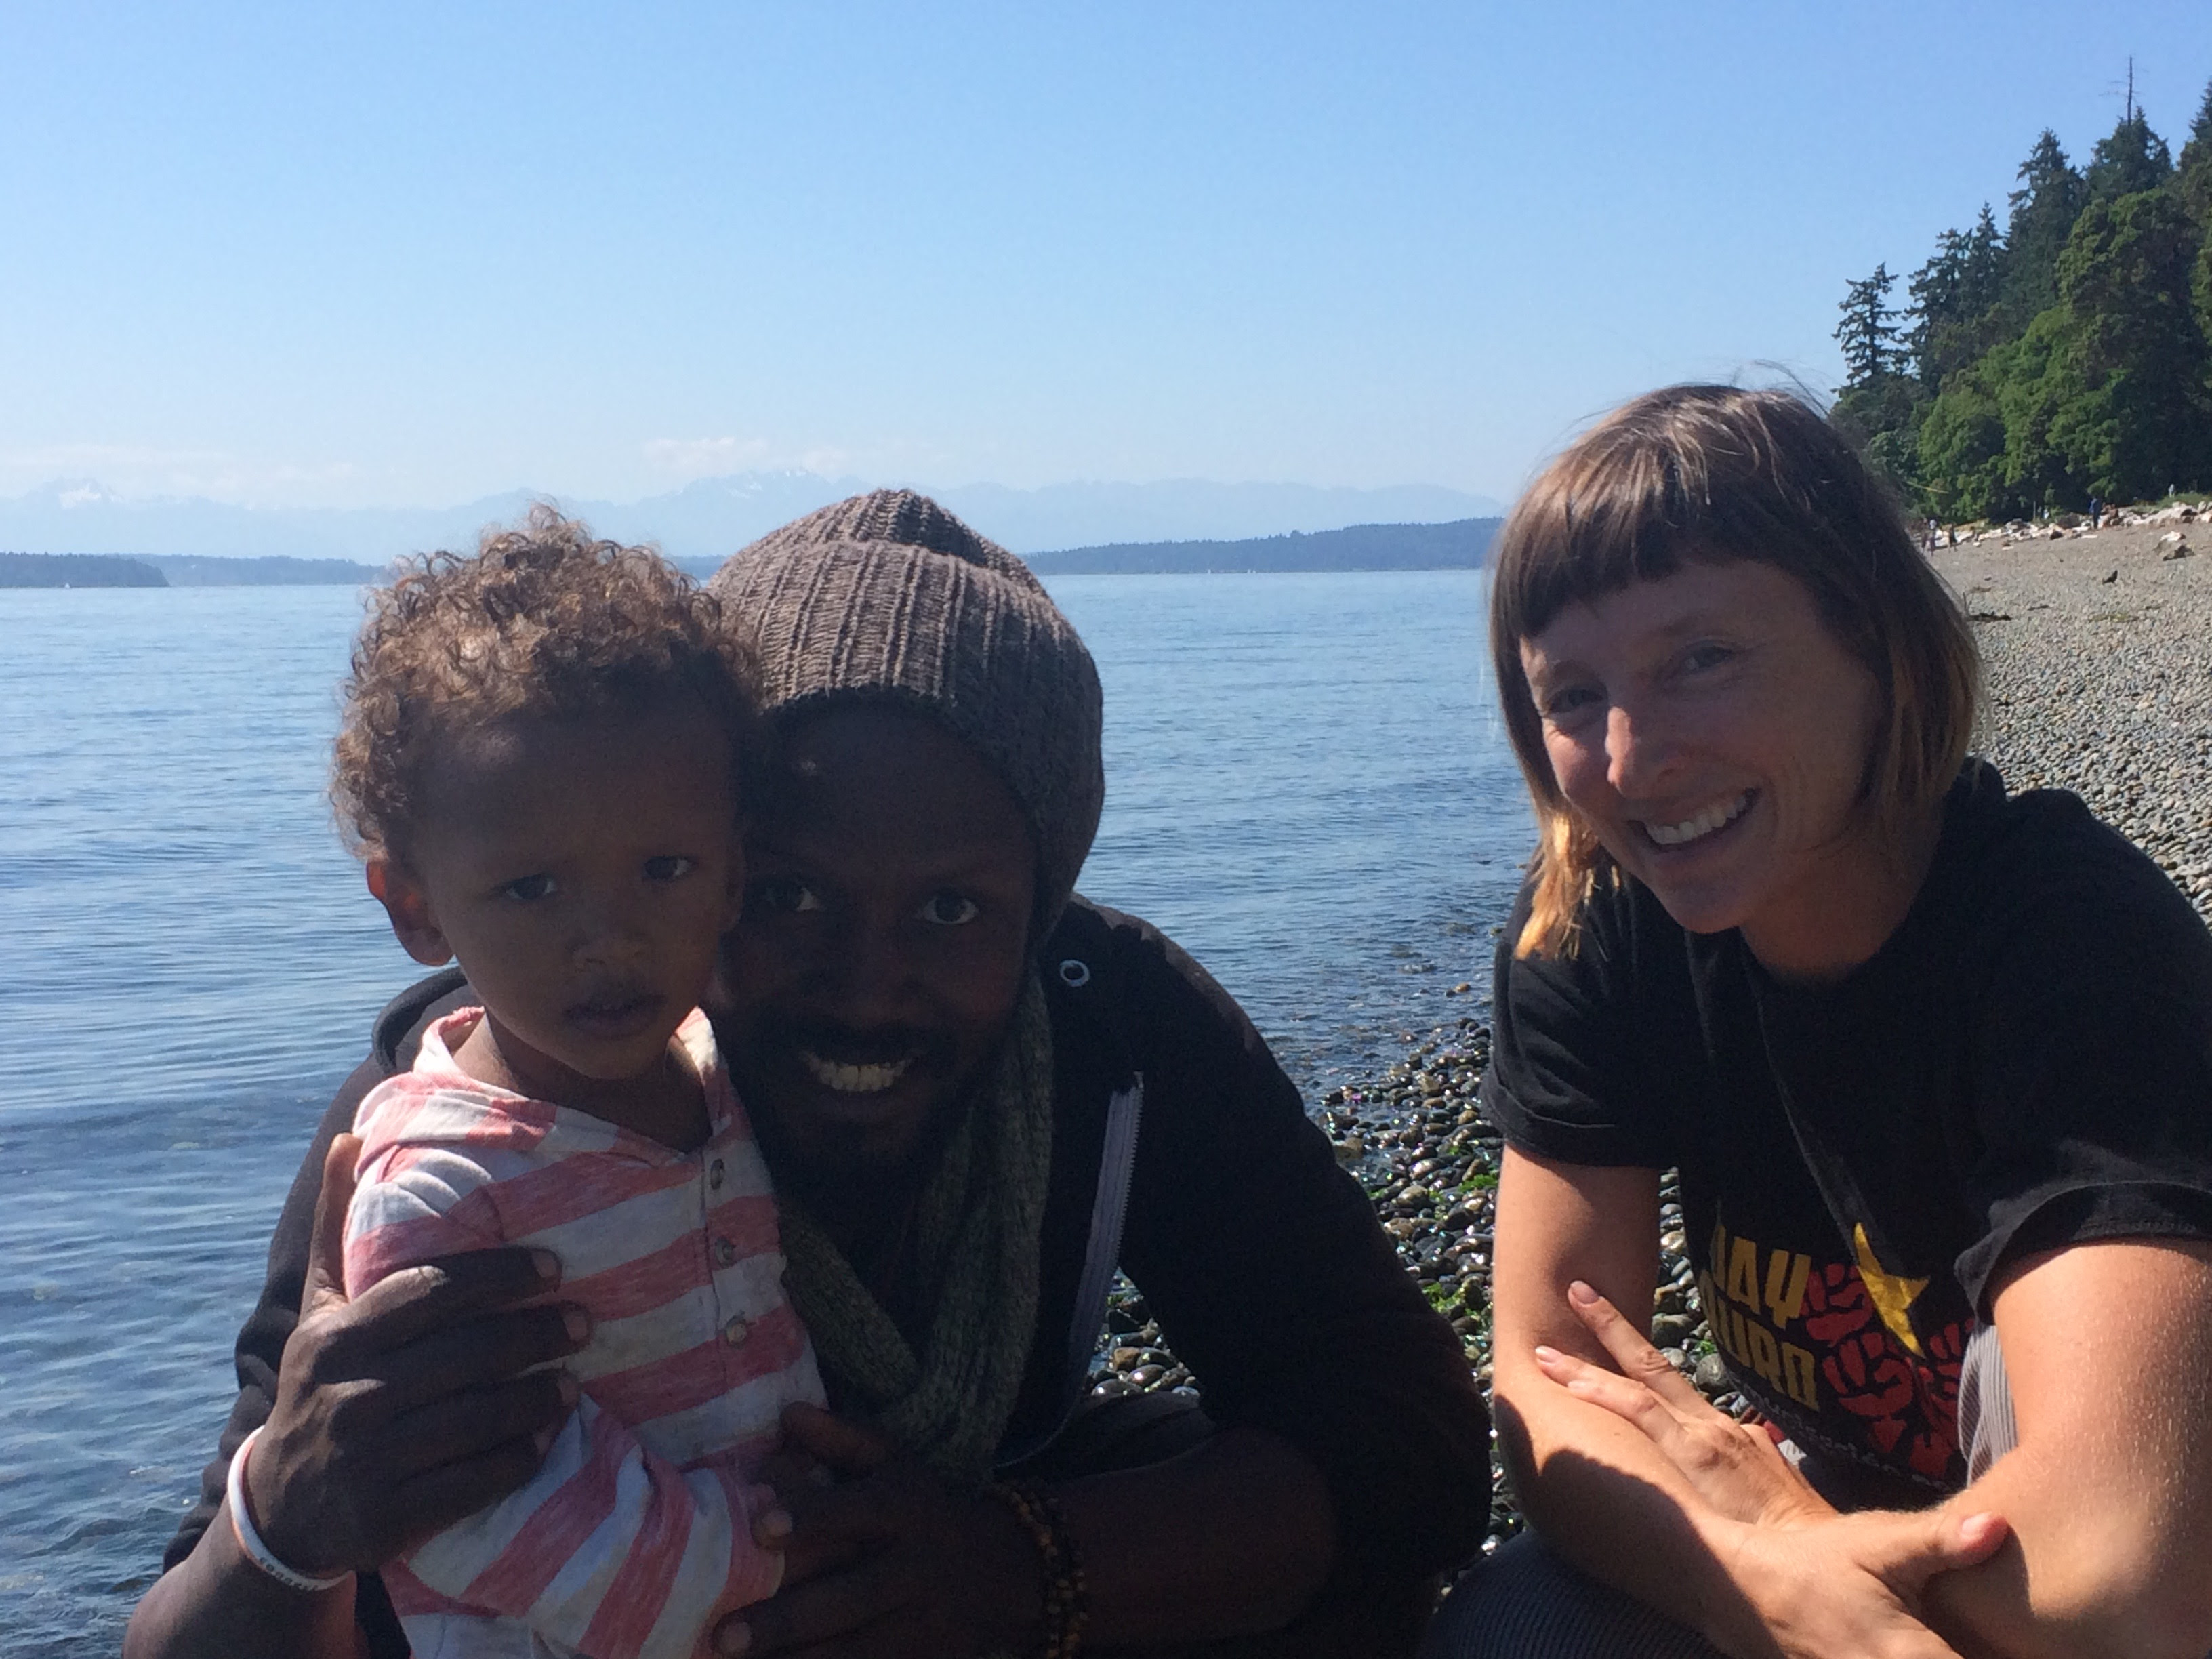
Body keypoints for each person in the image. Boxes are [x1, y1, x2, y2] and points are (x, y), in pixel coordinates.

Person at [125, 490, 1492, 1659]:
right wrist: (286, 1522)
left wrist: (1022, 1566)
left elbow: (1414, 1437)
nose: (863, 985)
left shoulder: (1106, 1029)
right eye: (786, 895)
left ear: (1043, 907)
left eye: (952, 910)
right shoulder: (484, 1121)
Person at [1425, 386, 2212, 1659]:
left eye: (1701, 660)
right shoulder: (1595, 921)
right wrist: (1756, 1577)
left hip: (2145, 1541)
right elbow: (1548, 1383)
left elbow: (2122, 1570)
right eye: (1571, 695)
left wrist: (1782, 1542)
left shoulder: (2072, 941)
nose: (1628, 760)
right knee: (1510, 1628)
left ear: (1877, 649)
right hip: (1849, 1526)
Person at [322, 514, 823, 1658]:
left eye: (665, 869)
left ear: (734, 875)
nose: (610, 939)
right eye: (534, 888)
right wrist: (764, 1555)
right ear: (416, 909)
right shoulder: (442, 1185)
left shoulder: (714, 1075)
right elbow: (463, 1503)